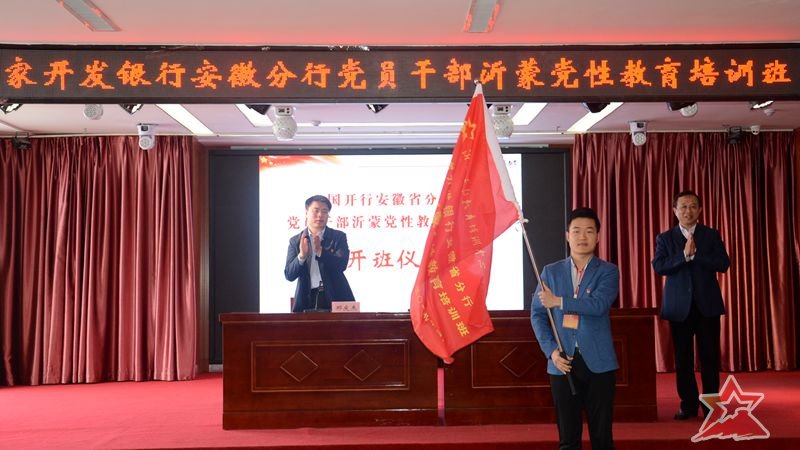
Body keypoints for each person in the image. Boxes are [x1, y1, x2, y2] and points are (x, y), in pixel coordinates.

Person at [531, 207, 619, 450]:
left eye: (589, 231)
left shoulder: (608, 271)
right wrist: (551, 352)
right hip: (562, 362)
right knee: (568, 439)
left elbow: (598, 305)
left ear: (598, 237)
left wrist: (559, 301)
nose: (582, 237)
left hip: (599, 362)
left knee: (602, 438)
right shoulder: (550, 272)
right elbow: (537, 315)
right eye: (576, 231)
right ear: (567, 236)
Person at [652, 190, 730, 420]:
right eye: (683, 207)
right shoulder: (665, 238)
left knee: (709, 358)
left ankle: (711, 407)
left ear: (700, 210)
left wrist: (696, 255)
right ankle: (688, 405)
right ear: (675, 211)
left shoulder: (711, 235)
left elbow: (723, 263)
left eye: (693, 206)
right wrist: (683, 257)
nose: (688, 211)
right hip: (679, 309)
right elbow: (659, 266)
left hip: (707, 306)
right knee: (683, 359)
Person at [284, 195, 355, 312]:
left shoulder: (338, 237)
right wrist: (301, 257)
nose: (320, 215)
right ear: (306, 212)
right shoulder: (296, 241)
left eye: (324, 211)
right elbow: (289, 275)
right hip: (306, 298)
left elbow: (342, 265)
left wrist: (321, 252)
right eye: (316, 210)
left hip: (335, 296)